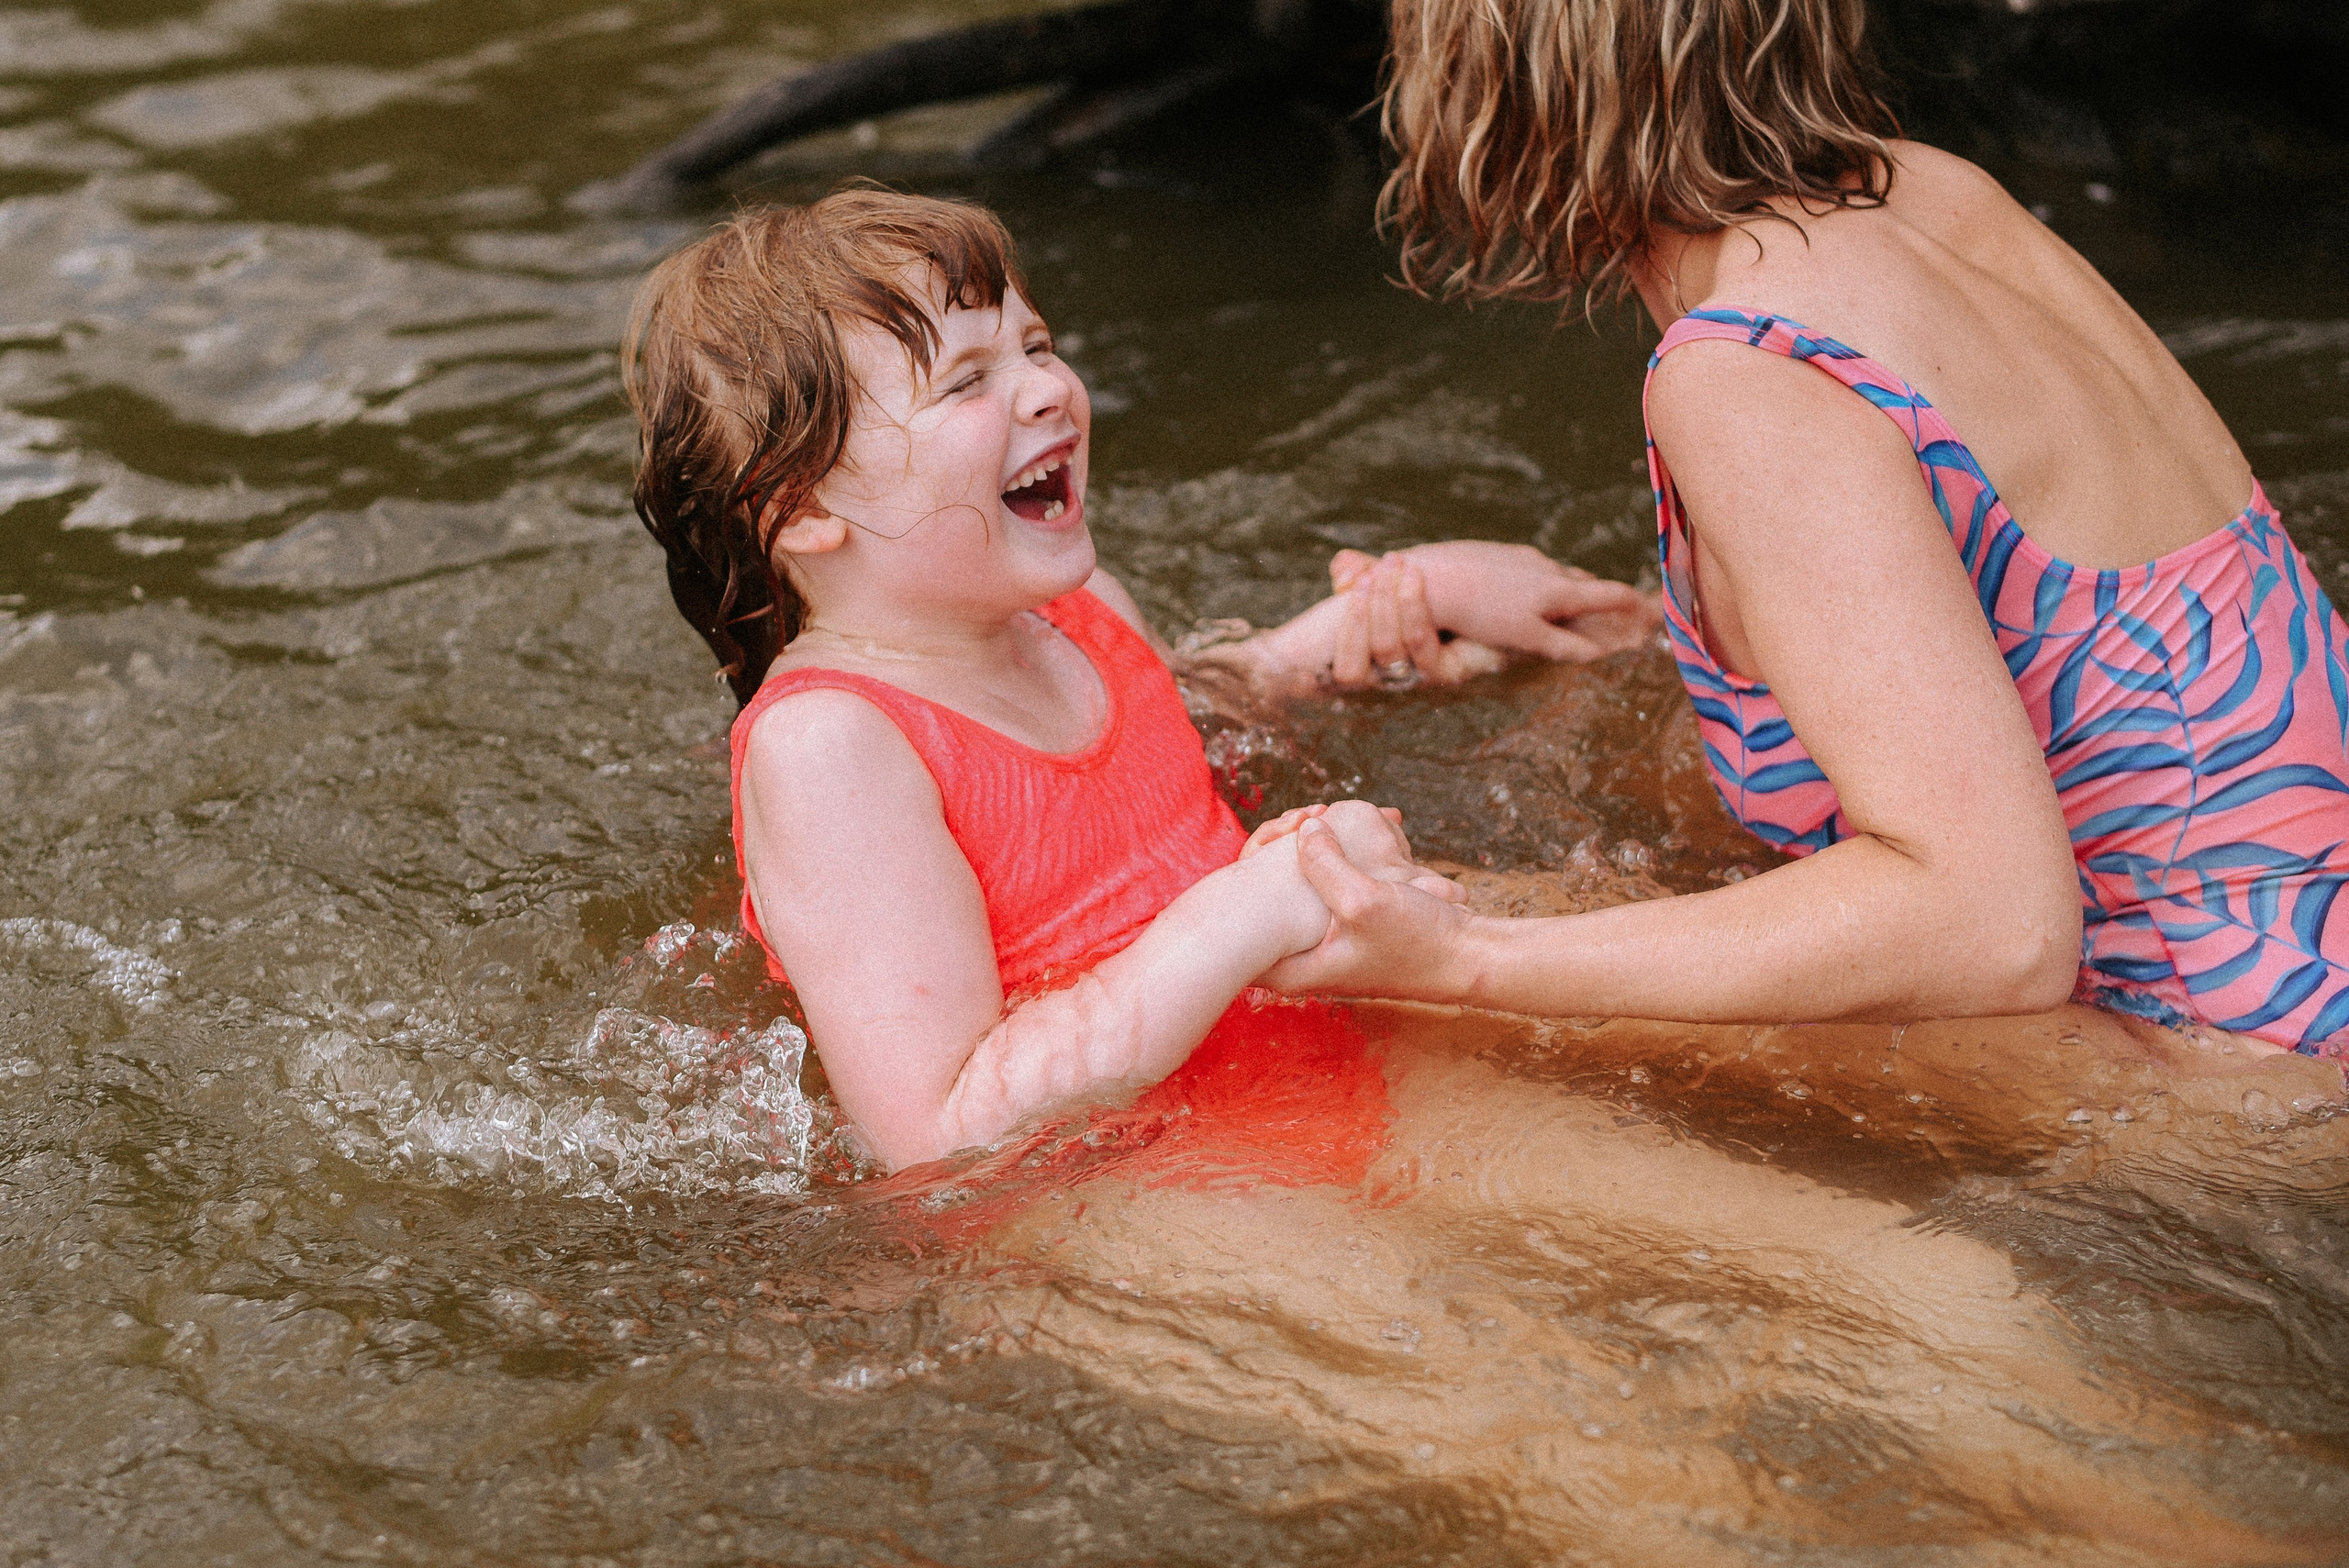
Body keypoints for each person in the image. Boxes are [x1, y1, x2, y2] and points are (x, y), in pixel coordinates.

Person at [1252, 0, 2349, 1054]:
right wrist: (1605, 649)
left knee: (1361, 990)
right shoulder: (1928, 194)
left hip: (2250, 1066)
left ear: (1486, 85)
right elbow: (2082, 678)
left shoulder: (1747, 370)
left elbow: (1994, 928)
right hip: (2305, 964)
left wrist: (1467, 958)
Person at [621, 188, 1657, 1170]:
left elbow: (1186, 715)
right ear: (800, 508)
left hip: (1304, 1028)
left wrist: (1411, 598)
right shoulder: (833, 748)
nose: (1047, 387)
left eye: (1035, 345)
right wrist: (1242, 912)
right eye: (968, 380)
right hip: (1129, 1179)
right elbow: (939, 1139)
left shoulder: (1075, 609)